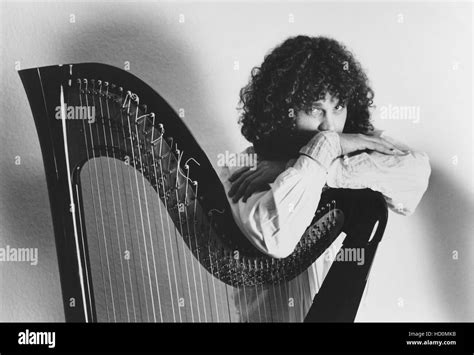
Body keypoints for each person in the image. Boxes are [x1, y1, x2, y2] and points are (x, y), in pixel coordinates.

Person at [217, 35, 431, 322]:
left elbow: (415, 174)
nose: (330, 126)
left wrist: (303, 166)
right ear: (283, 109)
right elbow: (278, 241)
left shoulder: (347, 150)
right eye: (316, 109)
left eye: (339, 107)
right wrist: (322, 151)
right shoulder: (243, 171)